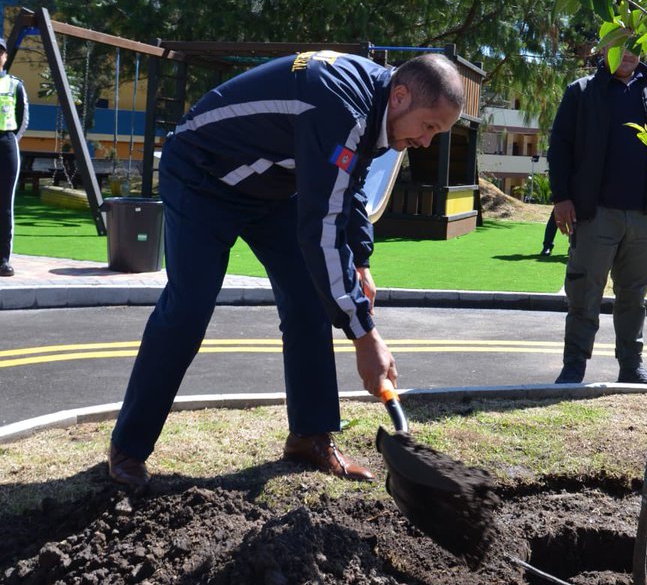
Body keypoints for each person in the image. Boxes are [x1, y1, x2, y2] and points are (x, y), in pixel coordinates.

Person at [109, 50, 464, 492]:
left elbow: (347, 187)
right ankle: (128, 449)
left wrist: (361, 260)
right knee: (189, 307)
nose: (427, 142)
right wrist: (364, 335)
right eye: (428, 127)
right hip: (204, 173)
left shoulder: (377, 109)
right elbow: (321, 229)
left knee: (310, 299)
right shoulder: (341, 106)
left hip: (271, 185)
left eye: (437, 133)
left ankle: (309, 437)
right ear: (402, 95)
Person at [547, 46, 647, 385]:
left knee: (634, 294)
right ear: (605, 49)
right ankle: (574, 365)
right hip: (595, 213)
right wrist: (561, 197)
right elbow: (559, 145)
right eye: (621, 45)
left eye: (637, 46)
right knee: (584, 293)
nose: (630, 53)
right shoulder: (582, 91)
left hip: (642, 216)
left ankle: (631, 366)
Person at [0, 36, 29, 278]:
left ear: (5, 57)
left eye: (0, 52)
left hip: (6, 143)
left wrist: (10, 140)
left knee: (5, 204)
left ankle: (3, 260)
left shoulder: (14, 84)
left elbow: (23, 118)